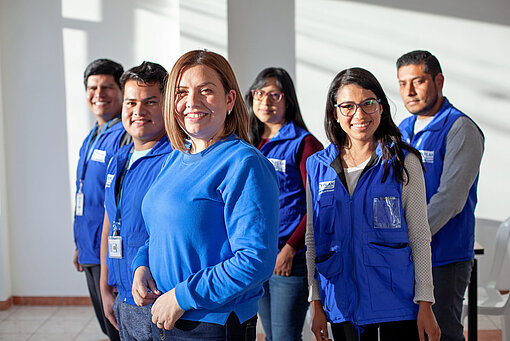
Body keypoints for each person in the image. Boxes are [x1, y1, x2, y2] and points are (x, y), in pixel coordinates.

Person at [131, 50, 280, 341]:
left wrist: (182, 297)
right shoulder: (175, 157)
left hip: (213, 324)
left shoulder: (243, 163)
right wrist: (142, 263)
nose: (192, 102)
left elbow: (256, 259)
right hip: (166, 314)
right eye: (182, 92)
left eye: (206, 91)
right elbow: (161, 231)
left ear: (230, 100)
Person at [306, 67, 441, 341]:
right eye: (347, 106)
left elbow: (419, 235)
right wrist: (316, 303)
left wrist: (425, 301)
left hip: (397, 304)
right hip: (342, 303)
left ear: (381, 107)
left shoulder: (404, 161)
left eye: (368, 104)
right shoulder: (317, 166)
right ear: (335, 113)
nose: (359, 115)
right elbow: (313, 238)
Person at [396, 50, 484, 341]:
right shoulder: (402, 130)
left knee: (441, 333)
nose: (409, 91)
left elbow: (450, 200)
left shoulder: (460, 128)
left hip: (444, 257)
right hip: (407, 255)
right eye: (402, 83)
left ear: (439, 80)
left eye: (418, 81)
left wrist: (407, 238)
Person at [245, 67, 323, 341]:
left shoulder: (305, 143)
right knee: (267, 333)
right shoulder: (248, 142)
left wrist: (290, 249)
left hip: (288, 256)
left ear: (288, 100)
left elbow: (318, 204)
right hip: (256, 254)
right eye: (260, 93)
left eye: (274, 95)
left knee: (284, 337)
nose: (265, 101)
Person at [99, 61, 172, 341]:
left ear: (166, 106)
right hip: (123, 296)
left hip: (156, 298)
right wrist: (105, 288)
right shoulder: (118, 160)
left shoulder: (175, 160)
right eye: (131, 102)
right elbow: (109, 222)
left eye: (150, 102)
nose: (138, 111)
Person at [73, 58, 130, 341]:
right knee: (107, 328)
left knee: (118, 328)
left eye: (107, 86)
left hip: (109, 252)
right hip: (90, 250)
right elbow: (87, 196)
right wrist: (79, 245)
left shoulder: (125, 135)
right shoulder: (91, 137)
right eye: (93, 87)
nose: (99, 93)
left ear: (121, 91)